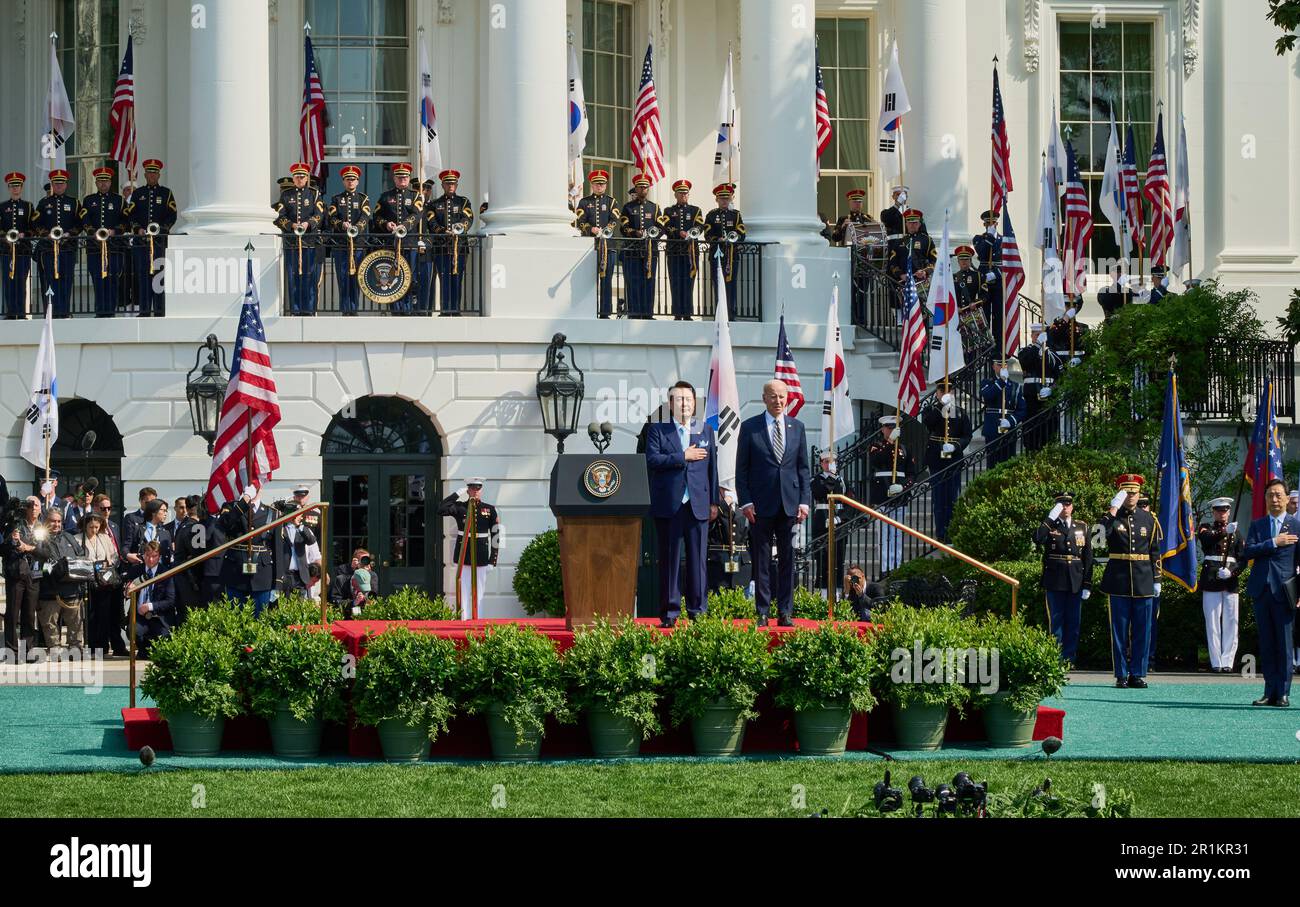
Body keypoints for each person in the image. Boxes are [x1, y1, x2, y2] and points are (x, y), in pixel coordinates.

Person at [735, 379, 811, 626]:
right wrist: (745, 501)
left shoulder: (797, 427)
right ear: (764, 398)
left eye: (781, 396)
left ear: (786, 398)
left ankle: (785, 612)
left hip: (789, 504)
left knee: (788, 560)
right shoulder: (750, 427)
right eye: (773, 396)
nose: (778, 401)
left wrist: (804, 502)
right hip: (759, 506)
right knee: (762, 561)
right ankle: (763, 611)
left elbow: (803, 469)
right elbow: (742, 470)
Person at [646, 381, 720, 626]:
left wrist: (714, 503)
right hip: (669, 505)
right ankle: (670, 613)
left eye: (688, 399)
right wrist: (682, 456)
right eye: (679, 399)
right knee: (670, 561)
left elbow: (712, 469)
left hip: (698, 504)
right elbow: (652, 460)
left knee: (698, 561)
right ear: (670, 404)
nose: (684, 403)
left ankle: (698, 610)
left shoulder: (705, 430)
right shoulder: (658, 429)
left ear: (694, 402)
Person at [1099, 474, 1162, 689]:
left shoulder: (1149, 520)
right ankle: (1121, 674)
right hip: (1118, 580)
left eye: (1134, 493)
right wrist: (1112, 510)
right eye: (1126, 493)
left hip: (1143, 580)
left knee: (1143, 630)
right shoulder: (1112, 518)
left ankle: (1138, 673)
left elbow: (1155, 551)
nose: (1131, 497)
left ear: (1139, 494)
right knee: (1119, 630)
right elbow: (1097, 540)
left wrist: (1157, 578)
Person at [1243, 478, 1298, 706]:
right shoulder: (1259, 525)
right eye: (1270, 495)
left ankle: (1283, 693)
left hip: (1284, 591)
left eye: (1278, 495)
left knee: (1284, 644)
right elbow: (1248, 551)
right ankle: (1269, 691)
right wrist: (1274, 542)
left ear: (1287, 498)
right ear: (1265, 499)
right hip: (1261, 590)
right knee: (1266, 643)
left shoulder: (1296, 526)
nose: (1274, 499)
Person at [1034, 491, 1094, 665]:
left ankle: (1069, 658)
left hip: (1075, 580)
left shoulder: (1082, 526)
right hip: (1055, 580)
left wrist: (1087, 584)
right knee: (1057, 621)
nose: (1065, 507)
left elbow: (1088, 557)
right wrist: (1049, 518)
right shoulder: (1050, 526)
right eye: (1061, 505)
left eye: (1068, 504)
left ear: (1072, 506)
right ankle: (1056, 658)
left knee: (1074, 622)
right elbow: (1037, 538)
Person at [438, 479, 502, 619]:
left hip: (481, 553)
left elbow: (496, 534)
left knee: (479, 591)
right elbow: (441, 508)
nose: (475, 491)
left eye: (478, 488)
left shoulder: (489, 509)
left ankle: (477, 619)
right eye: (472, 488)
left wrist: (493, 560)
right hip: (464, 553)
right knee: (464, 590)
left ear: (481, 490)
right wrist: (457, 493)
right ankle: (464, 619)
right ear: (468, 490)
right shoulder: (460, 507)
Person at [122, 159, 177, 317]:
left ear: (158, 175)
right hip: (142, 243)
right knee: (143, 275)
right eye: (149, 172)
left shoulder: (166, 193)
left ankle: (159, 310)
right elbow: (130, 215)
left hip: (159, 242)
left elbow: (172, 215)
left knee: (159, 276)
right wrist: (137, 228)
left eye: (155, 172)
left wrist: (162, 229)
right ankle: (145, 309)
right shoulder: (138, 194)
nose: (152, 175)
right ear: (145, 174)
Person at [273, 162, 325, 315]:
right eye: (297, 177)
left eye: (302, 176)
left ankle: (308, 310)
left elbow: (319, 215)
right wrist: (291, 225)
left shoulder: (314, 194)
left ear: (307, 178)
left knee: (309, 278)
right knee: (293, 279)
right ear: (293, 178)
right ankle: (296, 310)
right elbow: (280, 216)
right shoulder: (286, 195)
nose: (299, 179)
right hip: (292, 244)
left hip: (309, 243)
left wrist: (308, 224)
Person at [920, 392, 973, 541]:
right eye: (941, 390)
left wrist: (956, 446)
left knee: (952, 497)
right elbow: (928, 423)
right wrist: (940, 406)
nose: (945, 393)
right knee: (939, 497)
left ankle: (951, 531)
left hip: (953, 459)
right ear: (937, 393)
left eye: (948, 390)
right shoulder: (931, 409)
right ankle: (941, 532)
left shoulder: (960, 412)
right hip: (936, 458)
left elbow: (967, 435)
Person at [32, 510, 88, 651]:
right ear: (45, 522)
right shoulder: (38, 539)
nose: (56, 524)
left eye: (58, 521)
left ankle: (75, 648)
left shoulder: (69, 537)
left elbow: (82, 554)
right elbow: (36, 566)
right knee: (50, 624)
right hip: (50, 591)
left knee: (75, 623)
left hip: (72, 590)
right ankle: (55, 648)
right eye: (52, 521)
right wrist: (50, 569)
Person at [218, 487, 279, 616]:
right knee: (234, 621)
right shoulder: (232, 509)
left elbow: (278, 549)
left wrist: (278, 582)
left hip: (262, 576)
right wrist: (244, 500)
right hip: (235, 574)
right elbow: (224, 526)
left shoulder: (272, 513)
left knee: (261, 621)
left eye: (257, 484)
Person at [1198, 497, 1242, 674]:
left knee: (1231, 621)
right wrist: (1225, 531)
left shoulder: (1237, 533)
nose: (1222, 514)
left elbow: (1243, 558)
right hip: (1211, 578)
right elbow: (1207, 540)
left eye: (1224, 511)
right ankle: (1216, 661)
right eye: (1218, 511)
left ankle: (1228, 661)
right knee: (1213, 621)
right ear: (1214, 512)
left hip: (1230, 579)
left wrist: (1233, 572)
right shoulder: (1206, 527)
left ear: (1229, 512)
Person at [869, 415, 916, 576]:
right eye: (888, 427)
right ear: (883, 429)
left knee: (897, 534)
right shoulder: (877, 445)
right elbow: (876, 461)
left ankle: (896, 568)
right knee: (884, 535)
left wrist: (903, 487)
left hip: (899, 495)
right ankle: (885, 569)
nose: (890, 430)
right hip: (882, 493)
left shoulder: (904, 448)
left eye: (893, 427)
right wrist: (889, 443)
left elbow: (911, 473)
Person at [373, 162, 423, 313]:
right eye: (399, 177)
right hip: (391, 245)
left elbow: (417, 214)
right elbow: (376, 216)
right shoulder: (385, 196)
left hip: (410, 244)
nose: (403, 180)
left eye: (405, 177)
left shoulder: (416, 196)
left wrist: (405, 226)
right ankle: (395, 309)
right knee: (392, 277)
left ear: (408, 179)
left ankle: (407, 309)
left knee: (409, 277)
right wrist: (386, 224)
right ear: (394, 178)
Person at [79, 166, 125, 317]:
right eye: (100, 181)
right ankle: (100, 311)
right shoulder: (89, 200)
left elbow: (126, 221)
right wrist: (93, 232)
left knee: (113, 279)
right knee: (98, 279)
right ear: (96, 182)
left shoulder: (119, 200)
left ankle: (111, 310)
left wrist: (115, 231)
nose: (103, 184)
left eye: (106, 181)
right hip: (95, 248)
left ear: (110, 182)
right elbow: (84, 221)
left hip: (114, 247)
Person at [32, 169, 79, 317]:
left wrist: (69, 234)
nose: (59, 186)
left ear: (66, 185)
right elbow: (35, 222)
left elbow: (80, 224)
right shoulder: (44, 203)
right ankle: (50, 312)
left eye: (61, 183)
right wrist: (46, 235)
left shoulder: (74, 202)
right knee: (49, 280)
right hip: (48, 249)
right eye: (56, 183)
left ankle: (64, 311)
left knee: (66, 280)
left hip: (67, 249)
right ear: (52, 184)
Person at [575, 169, 621, 318]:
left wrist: (607, 229)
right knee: (589, 280)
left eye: (602, 184)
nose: (599, 186)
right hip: (590, 246)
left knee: (606, 280)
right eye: (596, 184)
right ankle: (589, 310)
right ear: (592, 185)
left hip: (609, 247)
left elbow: (615, 219)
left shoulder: (611, 201)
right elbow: (580, 222)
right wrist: (591, 229)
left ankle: (605, 312)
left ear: (606, 185)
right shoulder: (584, 202)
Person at [327, 165, 370, 316]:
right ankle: (346, 309)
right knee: (343, 277)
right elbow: (331, 218)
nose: (350, 182)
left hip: (357, 245)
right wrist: (341, 224)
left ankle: (354, 308)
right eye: (347, 179)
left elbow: (365, 217)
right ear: (343, 182)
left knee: (356, 278)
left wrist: (356, 227)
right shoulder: (336, 199)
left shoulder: (363, 199)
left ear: (357, 181)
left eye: (353, 179)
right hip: (341, 246)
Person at [429, 169, 474, 315]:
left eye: (453, 183)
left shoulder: (463, 201)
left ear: (457, 185)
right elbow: (431, 221)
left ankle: (455, 310)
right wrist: (442, 231)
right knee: (444, 278)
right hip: (441, 247)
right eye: (448, 183)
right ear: (442, 185)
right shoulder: (435, 204)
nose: (450, 186)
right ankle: (445, 310)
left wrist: (459, 228)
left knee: (457, 278)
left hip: (459, 248)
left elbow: (468, 218)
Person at [619, 173, 664, 319]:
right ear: (636, 189)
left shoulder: (655, 208)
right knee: (633, 282)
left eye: (645, 187)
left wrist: (652, 235)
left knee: (649, 282)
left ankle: (647, 313)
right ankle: (634, 312)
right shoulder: (628, 207)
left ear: (648, 189)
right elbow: (623, 227)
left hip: (650, 251)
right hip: (632, 250)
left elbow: (661, 227)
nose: (643, 189)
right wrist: (635, 233)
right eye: (640, 187)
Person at [78, 511, 120, 655]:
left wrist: (109, 563)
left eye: (97, 527)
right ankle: (91, 644)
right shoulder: (78, 539)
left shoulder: (104, 538)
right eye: (91, 527)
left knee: (104, 614)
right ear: (85, 526)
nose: (94, 530)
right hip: (87, 581)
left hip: (104, 581)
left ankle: (103, 645)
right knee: (90, 614)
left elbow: (114, 555)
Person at [2, 497, 42, 651]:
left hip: (34, 574)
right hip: (16, 574)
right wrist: (12, 542)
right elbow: (2, 549)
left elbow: (46, 552)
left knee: (30, 615)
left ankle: (28, 650)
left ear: (40, 508)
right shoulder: (14, 524)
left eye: (36, 505)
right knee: (12, 613)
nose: (33, 508)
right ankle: (11, 650)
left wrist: (29, 548)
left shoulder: (41, 526)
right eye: (30, 505)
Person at [1016, 324, 1063, 452]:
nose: (1038, 337)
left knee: (1048, 432)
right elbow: (1025, 361)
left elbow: (1061, 377)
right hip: (1031, 398)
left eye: (1041, 335)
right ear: (1032, 336)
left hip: (1048, 398)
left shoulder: (1052, 355)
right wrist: (1037, 345)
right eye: (1036, 335)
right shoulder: (1025, 351)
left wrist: (1052, 389)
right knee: (1031, 433)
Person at [662, 179, 705, 320]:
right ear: (675, 195)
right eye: (680, 193)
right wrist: (678, 232)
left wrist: (692, 232)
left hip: (690, 252)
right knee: (675, 281)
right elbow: (666, 226)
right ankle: (677, 313)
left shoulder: (695, 210)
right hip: (674, 251)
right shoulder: (668, 211)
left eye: (686, 193)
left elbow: (700, 226)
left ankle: (687, 313)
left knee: (688, 282)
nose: (683, 195)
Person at [704, 183, 746, 318]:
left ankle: (731, 312)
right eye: (721, 198)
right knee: (717, 283)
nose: (724, 201)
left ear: (731, 199)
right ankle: (720, 313)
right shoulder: (711, 215)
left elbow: (741, 232)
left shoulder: (736, 215)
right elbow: (707, 233)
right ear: (716, 199)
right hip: (716, 254)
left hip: (732, 254)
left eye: (727, 198)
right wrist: (718, 239)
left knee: (731, 284)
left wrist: (733, 238)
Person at [129, 541, 176, 658]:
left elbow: (170, 601)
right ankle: (143, 649)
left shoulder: (166, 573)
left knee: (164, 636)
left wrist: (150, 606)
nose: (150, 560)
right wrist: (128, 591)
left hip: (158, 615)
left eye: (154, 556)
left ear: (159, 557)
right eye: (148, 556)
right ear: (143, 555)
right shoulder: (135, 571)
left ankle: (153, 649)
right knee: (133, 631)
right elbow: (126, 592)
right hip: (139, 616)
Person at [1, 172, 35, 319]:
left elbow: (33, 227)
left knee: (21, 280)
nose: (15, 189)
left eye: (18, 186)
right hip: (6, 250)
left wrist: (24, 235)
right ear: (9, 188)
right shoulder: (2, 207)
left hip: (22, 250)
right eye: (13, 186)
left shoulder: (28, 206)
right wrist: (6, 236)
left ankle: (21, 312)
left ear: (21, 188)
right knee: (9, 281)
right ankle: (11, 311)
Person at [811, 452, 847, 593]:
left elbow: (850, 502)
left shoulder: (842, 481)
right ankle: (823, 591)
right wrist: (831, 477)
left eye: (832, 461)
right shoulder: (816, 480)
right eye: (826, 461)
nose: (829, 464)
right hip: (822, 520)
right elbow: (820, 493)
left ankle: (837, 591)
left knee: (838, 558)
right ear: (821, 464)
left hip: (838, 521)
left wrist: (840, 518)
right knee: (822, 559)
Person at [980, 358, 1025, 468]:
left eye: (1005, 365)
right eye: (999, 365)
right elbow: (988, 395)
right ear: (993, 366)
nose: (1002, 367)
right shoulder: (987, 382)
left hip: (1008, 429)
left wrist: (1010, 421)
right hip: (992, 428)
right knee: (992, 464)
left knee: (1009, 464)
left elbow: (1022, 409)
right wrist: (1001, 381)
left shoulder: (1015, 386)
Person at [706, 491, 751, 595]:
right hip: (717, 566)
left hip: (742, 567)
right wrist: (724, 504)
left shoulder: (745, 506)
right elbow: (709, 519)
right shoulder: (715, 506)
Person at [973, 209, 1003, 346]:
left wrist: (996, 274)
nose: (990, 225)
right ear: (984, 225)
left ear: (996, 223)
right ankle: (985, 343)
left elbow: (1010, 262)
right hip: (984, 278)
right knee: (984, 312)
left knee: (998, 313)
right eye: (988, 223)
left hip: (998, 279)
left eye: (993, 223)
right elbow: (982, 251)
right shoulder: (978, 239)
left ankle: (998, 344)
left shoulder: (1004, 240)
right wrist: (990, 237)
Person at [276, 507, 320, 595]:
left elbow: (311, 541)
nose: (301, 517)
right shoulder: (280, 528)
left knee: (301, 605)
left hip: (300, 576)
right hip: (285, 575)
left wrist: (299, 526)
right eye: (298, 514)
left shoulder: (303, 528)